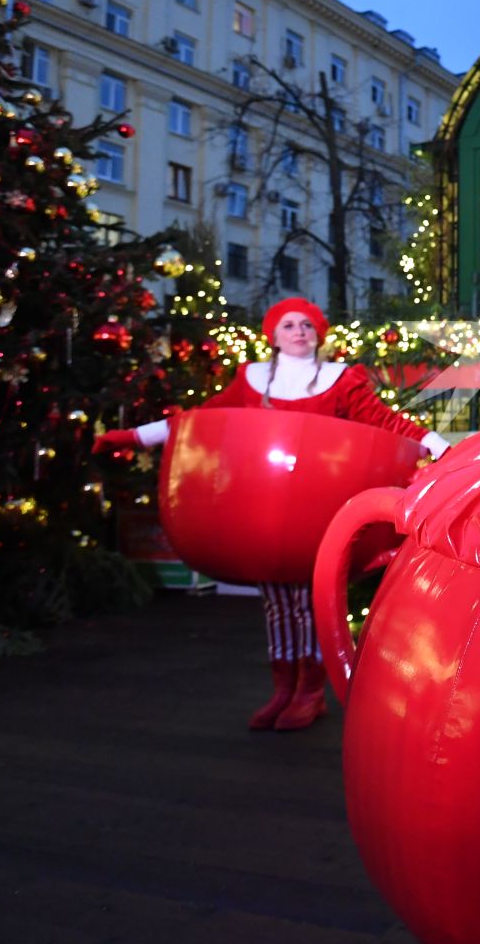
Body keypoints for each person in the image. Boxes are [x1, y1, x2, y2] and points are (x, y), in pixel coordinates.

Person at [93, 296, 453, 731]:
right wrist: (134, 436)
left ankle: (311, 690)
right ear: (274, 335)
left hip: (318, 509)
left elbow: (387, 422)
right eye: (289, 325)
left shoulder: (341, 380)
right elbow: (202, 418)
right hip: (268, 510)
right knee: (278, 604)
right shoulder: (252, 381)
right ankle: (284, 686)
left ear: (318, 333)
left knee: (307, 601)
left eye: (307, 325)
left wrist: (444, 449)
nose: (299, 332)